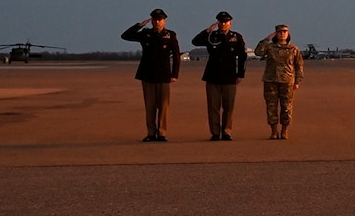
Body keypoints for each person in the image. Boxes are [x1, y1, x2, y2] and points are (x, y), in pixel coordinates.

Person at [122, 8, 181, 142]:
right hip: (147, 74)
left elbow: (176, 55)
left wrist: (174, 74)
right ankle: (150, 133)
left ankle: (162, 133)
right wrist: (140, 25)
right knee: (150, 106)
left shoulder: (170, 35)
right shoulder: (145, 34)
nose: (157, 22)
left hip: (164, 75)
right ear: (151, 21)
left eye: (160, 20)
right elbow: (125, 36)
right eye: (154, 20)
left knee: (163, 106)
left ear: (164, 21)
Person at [190, 11, 247, 141]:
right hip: (213, 76)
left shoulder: (236, 37)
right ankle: (215, 132)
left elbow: (242, 57)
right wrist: (207, 30)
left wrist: (240, 75)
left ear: (230, 23)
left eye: (226, 22)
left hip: (230, 76)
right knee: (213, 106)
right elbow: (195, 41)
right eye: (221, 22)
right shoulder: (211, 36)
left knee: (228, 106)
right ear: (217, 23)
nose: (223, 24)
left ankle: (227, 131)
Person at [255, 24, 305, 139]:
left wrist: (297, 81)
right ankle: (273, 131)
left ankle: (284, 130)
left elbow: (299, 66)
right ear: (275, 34)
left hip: (287, 81)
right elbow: (258, 52)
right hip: (270, 81)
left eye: (285, 32)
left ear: (288, 34)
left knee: (287, 107)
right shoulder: (270, 47)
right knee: (271, 106)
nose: (282, 34)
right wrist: (267, 39)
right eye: (280, 32)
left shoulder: (293, 49)